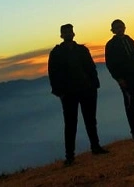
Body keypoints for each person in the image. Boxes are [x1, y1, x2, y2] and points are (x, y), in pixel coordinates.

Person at [48, 23, 109, 166]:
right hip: (68, 93)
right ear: (61, 35)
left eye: (70, 32)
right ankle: (70, 156)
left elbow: (91, 67)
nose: (68, 34)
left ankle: (95, 147)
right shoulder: (56, 53)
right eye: (65, 32)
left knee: (90, 120)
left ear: (73, 33)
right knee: (70, 124)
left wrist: (94, 85)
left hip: (87, 90)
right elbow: (53, 74)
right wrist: (59, 92)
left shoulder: (82, 50)